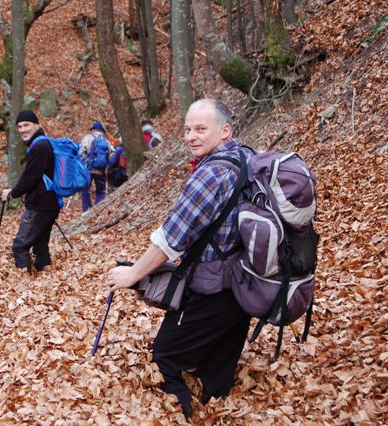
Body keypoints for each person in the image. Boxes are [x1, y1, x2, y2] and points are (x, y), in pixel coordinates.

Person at [106, 99, 251, 418]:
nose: (191, 136)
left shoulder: (210, 174)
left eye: (201, 129)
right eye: (187, 129)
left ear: (225, 131)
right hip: (246, 283)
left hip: (215, 288)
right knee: (217, 371)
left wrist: (132, 275)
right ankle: (220, 410)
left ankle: (178, 415)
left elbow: (170, 240)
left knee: (164, 360)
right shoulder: (247, 157)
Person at [1, 110, 60, 273]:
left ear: (37, 125)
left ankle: (23, 282)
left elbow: (29, 178)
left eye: (26, 125)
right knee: (40, 247)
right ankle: (45, 279)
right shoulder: (44, 143)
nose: (22, 129)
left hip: (39, 206)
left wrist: (12, 194)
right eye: (19, 126)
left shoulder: (39, 147)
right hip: (50, 204)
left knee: (20, 247)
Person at [80, 121, 112, 212]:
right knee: (101, 191)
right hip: (101, 170)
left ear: (93, 129)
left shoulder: (88, 138)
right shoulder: (106, 142)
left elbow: (81, 151)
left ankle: (86, 210)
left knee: (86, 190)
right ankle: (99, 210)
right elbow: (110, 153)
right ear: (102, 130)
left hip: (88, 169)